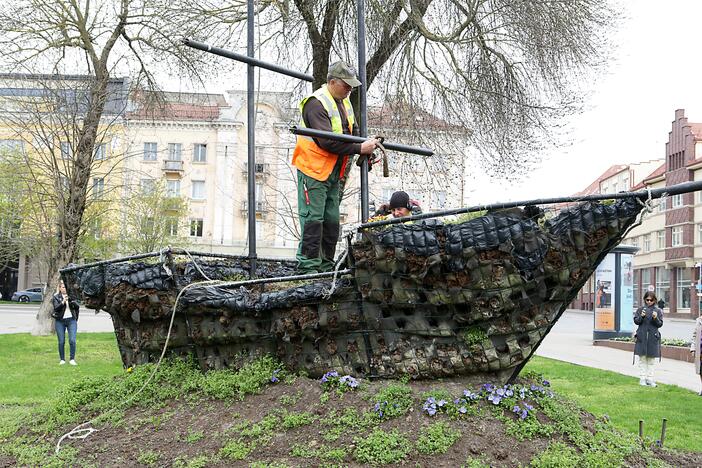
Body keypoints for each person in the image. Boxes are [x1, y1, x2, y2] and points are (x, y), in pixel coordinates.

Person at [292, 60, 379, 273]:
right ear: (332, 82)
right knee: (313, 219)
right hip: (313, 170)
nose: (350, 89)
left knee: (331, 221)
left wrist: (367, 148)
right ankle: (308, 267)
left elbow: (354, 131)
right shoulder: (316, 104)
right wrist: (360, 149)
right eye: (346, 85)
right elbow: (327, 141)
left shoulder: (343, 101)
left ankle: (326, 265)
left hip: (331, 172)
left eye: (351, 86)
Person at [633, 291, 663, 387]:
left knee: (651, 361)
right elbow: (636, 322)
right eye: (647, 300)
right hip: (642, 338)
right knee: (642, 360)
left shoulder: (658, 311)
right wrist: (641, 316)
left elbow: (660, 324)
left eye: (651, 300)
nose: (649, 302)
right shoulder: (640, 310)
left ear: (654, 300)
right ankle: (642, 379)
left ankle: (650, 379)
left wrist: (655, 318)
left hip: (652, 339)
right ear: (644, 300)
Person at [52, 280, 79, 365]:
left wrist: (71, 301)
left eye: (66, 287)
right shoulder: (56, 297)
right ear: (60, 288)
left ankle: (72, 359)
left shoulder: (71, 296)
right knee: (61, 341)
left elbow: (77, 306)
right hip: (60, 321)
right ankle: (62, 359)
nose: (65, 289)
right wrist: (63, 302)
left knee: (72, 340)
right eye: (63, 287)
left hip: (71, 320)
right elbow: (56, 308)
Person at [691, 314, 702, 396]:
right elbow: (694, 336)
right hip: (700, 350)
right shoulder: (699, 320)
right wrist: (693, 348)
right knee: (701, 370)